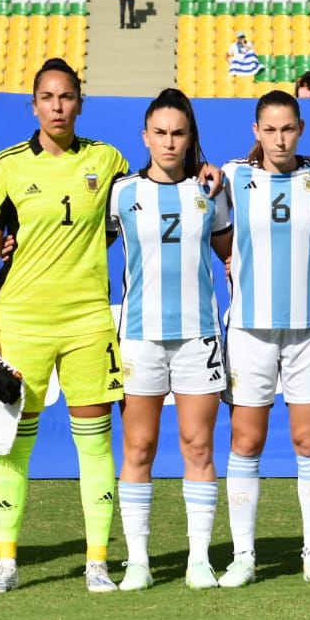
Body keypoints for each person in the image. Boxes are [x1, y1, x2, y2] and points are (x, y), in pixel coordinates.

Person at [0, 59, 213, 595]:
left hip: (88, 321)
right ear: (33, 105)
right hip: (22, 322)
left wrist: (207, 167)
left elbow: (162, 178)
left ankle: (98, 561)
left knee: (96, 443)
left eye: (67, 97)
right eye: (48, 97)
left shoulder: (107, 162)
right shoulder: (7, 166)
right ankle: (6, 562)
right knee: (14, 444)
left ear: (80, 103)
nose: (58, 106)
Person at [217, 91, 310, 589]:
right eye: (270, 129)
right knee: (246, 441)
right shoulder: (232, 176)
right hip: (250, 329)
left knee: (309, 440)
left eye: (288, 128)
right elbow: (212, 224)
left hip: (309, 328)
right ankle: (244, 556)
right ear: (256, 131)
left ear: (301, 128)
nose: (279, 138)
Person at [109, 90, 233, 591]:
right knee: (138, 447)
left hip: (197, 336)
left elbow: (230, 251)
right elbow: (86, 244)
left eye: (177, 133)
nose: (168, 142)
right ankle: (138, 560)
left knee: (197, 446)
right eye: (159, 133)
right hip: (139, 337)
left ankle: (198, 559)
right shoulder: (121, 193)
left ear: (190, 137)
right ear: (145, 137)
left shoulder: (209, 190)